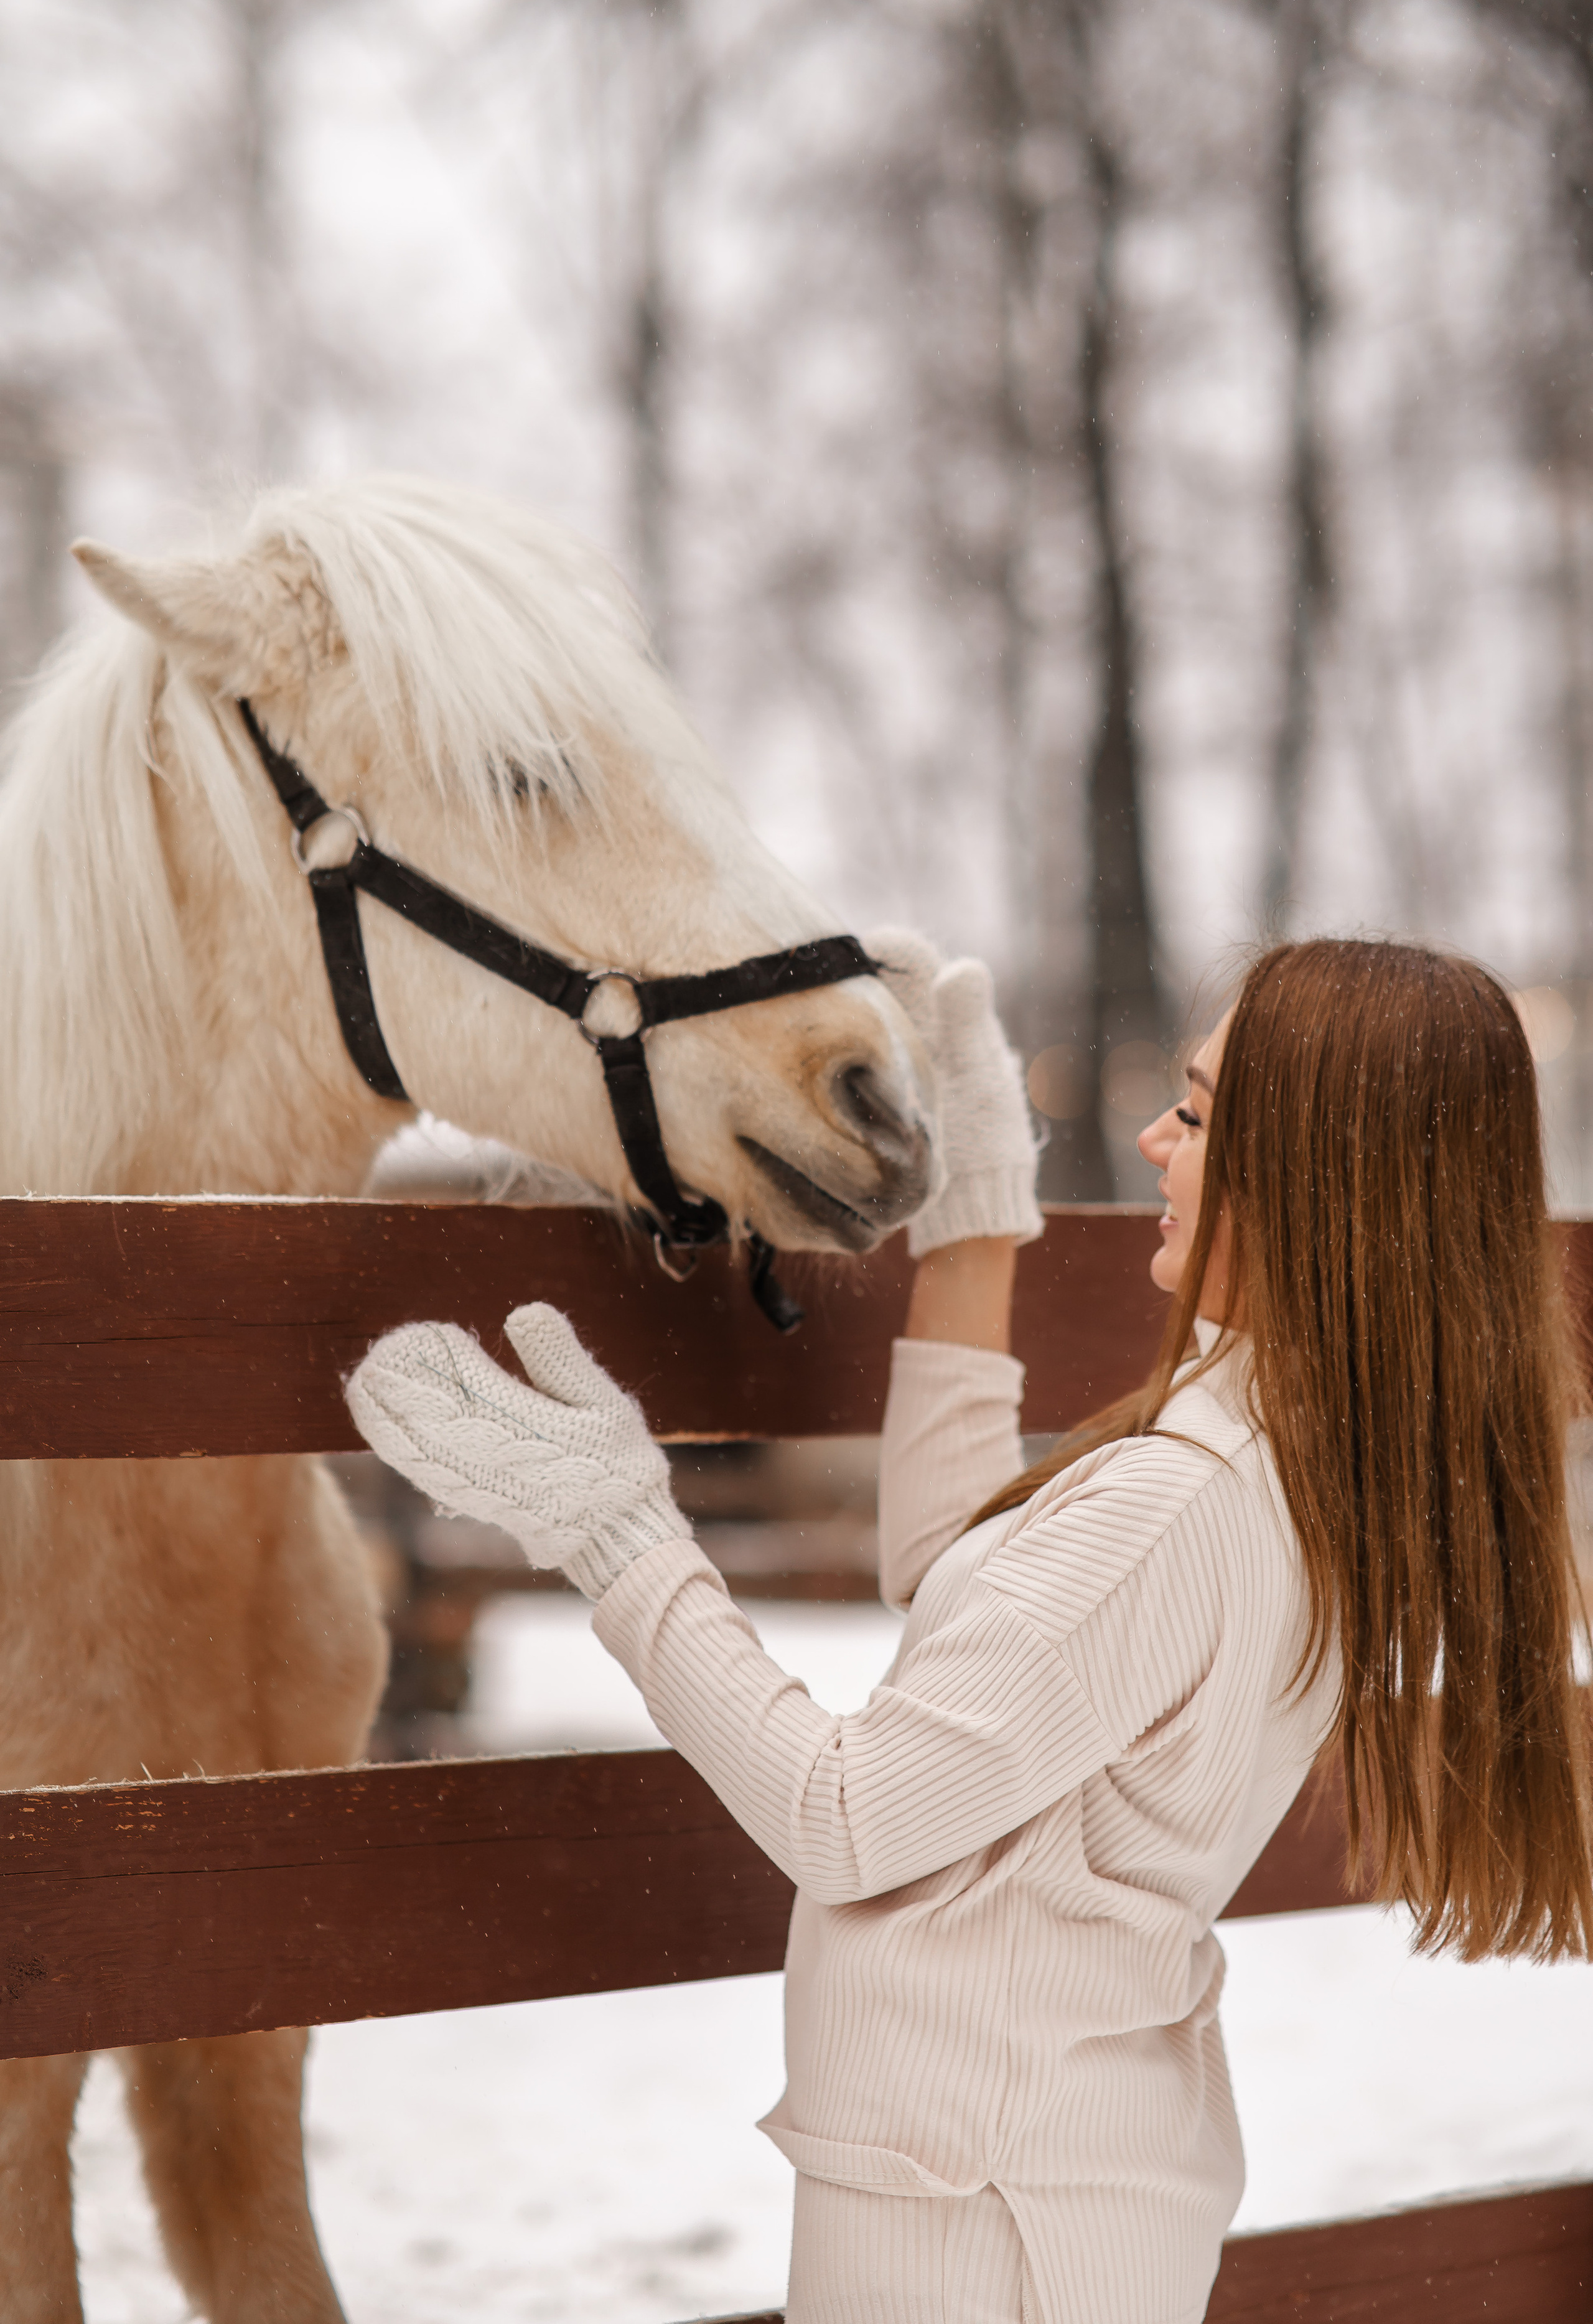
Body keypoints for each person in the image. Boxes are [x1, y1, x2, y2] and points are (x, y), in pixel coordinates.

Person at [347, 934, 1593, 2324]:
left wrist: (616, 1532)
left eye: (1193, 1113)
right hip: (1041, 2176)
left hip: (981, 2219)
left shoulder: (1180, 1502)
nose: (1150, 1137)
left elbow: (848, 1815)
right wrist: (976, 1235)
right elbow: (976, 1594)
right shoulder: (1302, 1442)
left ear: (1310, 1176)